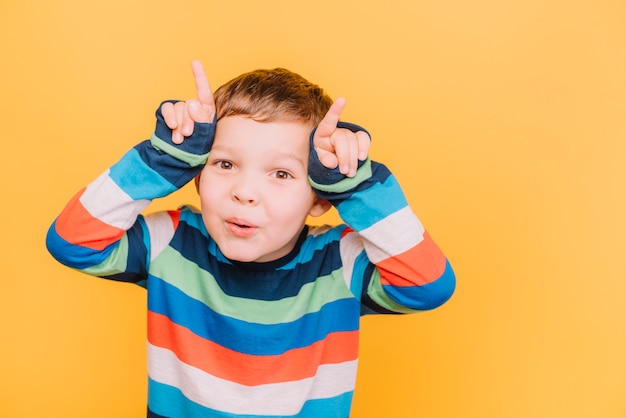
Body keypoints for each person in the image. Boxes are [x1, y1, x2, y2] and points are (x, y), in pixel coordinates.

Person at [46, 60, 456, 418]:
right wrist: (164, 158)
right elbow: (72, 242)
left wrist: (356, 187)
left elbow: (428, 285)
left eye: (281, 174)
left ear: (319, 197)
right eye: (225, 163)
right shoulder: (170, 242)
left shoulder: (339, 263)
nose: (245, 192)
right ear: (197, 174)